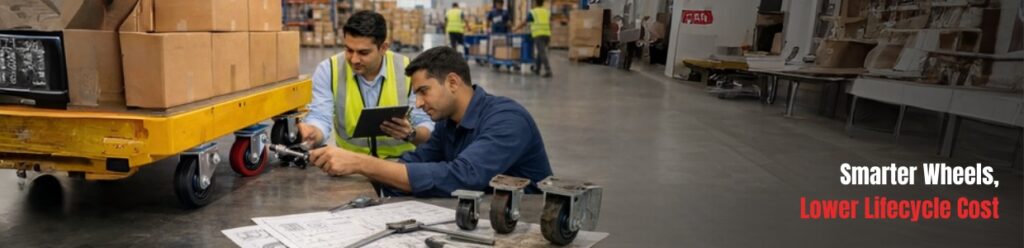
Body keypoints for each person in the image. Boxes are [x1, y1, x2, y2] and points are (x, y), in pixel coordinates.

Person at [308, 46, 554, 197]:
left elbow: (463, 176)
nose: (418, 103)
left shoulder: (507, 120)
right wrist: (349, 168)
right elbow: (415, 161)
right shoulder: (448, 124)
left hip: (528, 225)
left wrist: (361, 163)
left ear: (453, 82)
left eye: (424, 91)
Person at [300, 10, 435, 159]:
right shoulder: (329, 70)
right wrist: (313, 132)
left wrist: (411, 134)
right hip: (350, 164)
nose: (354, 60)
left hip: (401, 164)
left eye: (363, 53)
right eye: (349, 50)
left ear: (383, 48)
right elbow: (320, 117)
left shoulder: (408, 70)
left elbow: (425, 123)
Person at [514, 0, 552, 77]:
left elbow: (524, 22)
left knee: (542, 52)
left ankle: (548, 70)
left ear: (535, 3)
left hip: (538, 34)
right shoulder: (547, 11)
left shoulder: (533, 12)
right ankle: (537, 69)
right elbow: (550, 23)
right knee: (540, 52)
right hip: (547, 34)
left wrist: (515, 29)